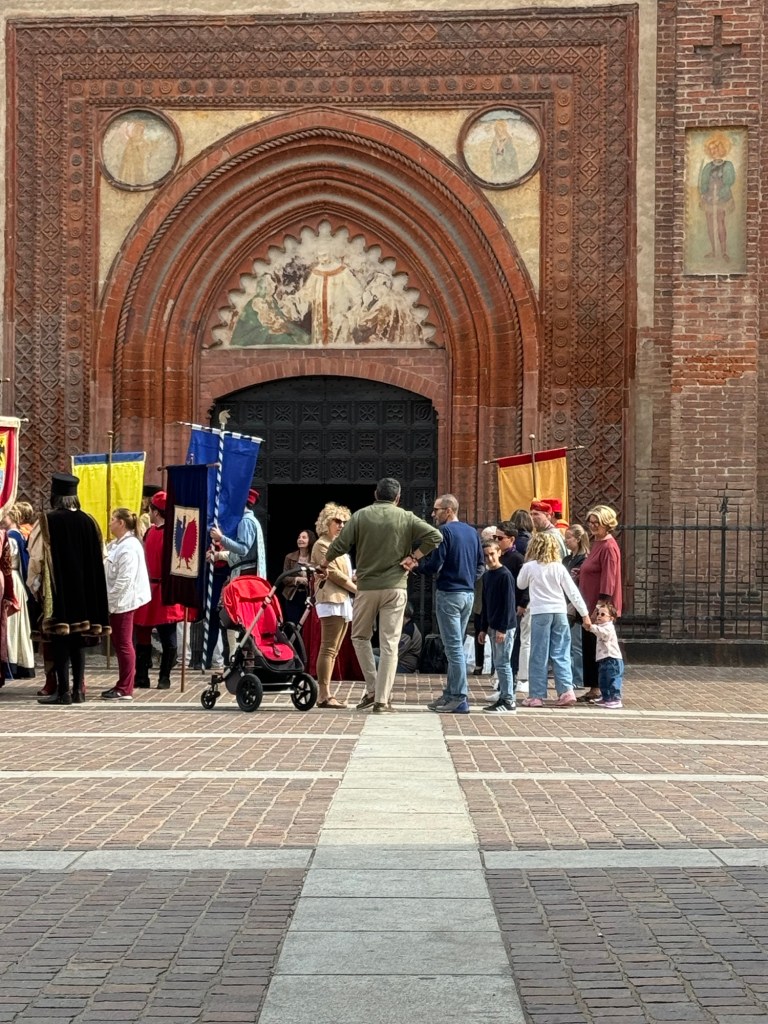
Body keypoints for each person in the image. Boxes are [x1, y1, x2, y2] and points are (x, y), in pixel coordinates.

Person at [322, 477, 441, 714]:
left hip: (366, 587)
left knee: (359, 637)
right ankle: (382, 699)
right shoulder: (406, 516)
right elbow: (435, 536)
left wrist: (324, 563)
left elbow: (340, 545)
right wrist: (414, 557)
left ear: (375, 494)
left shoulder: (361, 516)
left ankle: (373, 688)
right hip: (395, 586)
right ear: (398, 498)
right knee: (390, 644)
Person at [26, 472, 111, 706]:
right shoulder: (90, 521)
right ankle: (78, 691)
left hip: (59, 588)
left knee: (60, 639)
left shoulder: (46, 521)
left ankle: (63, 691)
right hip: (84, 590)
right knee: (78, 640)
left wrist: (34, 585)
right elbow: (102, 557)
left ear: (55, 496)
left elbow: (36, 559)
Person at [419, 494, 484, 714]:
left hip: (449, 593)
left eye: (436, 510)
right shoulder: (472, 532)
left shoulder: (445, 532)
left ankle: (459, 697)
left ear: (448, 510)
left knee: (453, 648)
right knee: (455, 645)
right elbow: (481, 564)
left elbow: (435, 563)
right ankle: (451, 692)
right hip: (467, 594)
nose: (433, 514)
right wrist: (468, 580)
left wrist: (416, 566)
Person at [517, 532, 591, 708]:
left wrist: (527, 566)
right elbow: (573, 592)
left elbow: (520, 584)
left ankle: (536, 695)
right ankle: (566, 691)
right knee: (561, 652)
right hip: (560, 612)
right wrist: (585, 614)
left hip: (540, 613)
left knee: (539, 654)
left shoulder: (530, 566)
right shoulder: (559, 567)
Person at [133, 491, 185, 689]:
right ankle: (142, 676)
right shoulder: (150, 532)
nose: (149, 512)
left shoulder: (173, 535)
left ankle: (165, 677)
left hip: (165, 590)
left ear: (156, 511)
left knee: (168, 635)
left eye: (151, 509)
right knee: (142, 633)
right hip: (148, 588)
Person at [102, 508, 151, 701]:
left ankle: (125, 687)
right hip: (118, 600)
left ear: (121, 523)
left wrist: (111, 601)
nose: (110, 523)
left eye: (112, 519)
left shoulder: (129, 547)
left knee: (123, 643)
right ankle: (123, 683)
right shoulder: (119, 544)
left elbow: (125, 579)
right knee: (120, 642)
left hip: (123, 601)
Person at [311, 504, 355, 709]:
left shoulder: (339, 546)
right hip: (330, 598)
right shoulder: (321, 545)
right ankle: (323, 694)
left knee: (334, 649)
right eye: (337, 521)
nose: (341, 525)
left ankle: (326, 692)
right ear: (326, 523)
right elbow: (334, 574)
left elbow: (345, 573)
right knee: (328, 648)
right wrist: (356, 588)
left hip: (342, 598)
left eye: (344, 522)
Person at [578, 504, 623, 703]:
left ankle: (602, 688)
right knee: (590, 647)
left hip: (599, 607)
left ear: (607, 524)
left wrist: (599, 607)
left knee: (600, 649)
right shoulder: (597, 543)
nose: (593, 525)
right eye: (591, 522)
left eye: (597, 522)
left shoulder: (608, 547)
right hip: (588, 602)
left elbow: (609, 579)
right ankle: (594, 687)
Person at [477, 540, 517, 714]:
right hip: (493, 625)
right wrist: (483, 628)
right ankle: (504, 695)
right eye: (486, 555)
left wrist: (502, 629)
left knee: (503, 663)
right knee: (498, 662)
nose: (489, 558)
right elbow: (485, 603)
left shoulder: (505, 575)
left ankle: (508, 699)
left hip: (503, 626)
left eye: (492, 554)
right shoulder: (487, 576)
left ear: (499, 553)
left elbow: (509, 604)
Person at [1, 505, 34, 682]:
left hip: (11, 579)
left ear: (12, 517)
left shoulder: (12, 536)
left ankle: (11, 663)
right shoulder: (17, 535)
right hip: (15, 578)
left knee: (10, 624)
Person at [497, 522, 528, 697]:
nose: (497, 541)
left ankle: (511, 682)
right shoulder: (498, 557)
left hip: (514, 607)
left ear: (511, 539)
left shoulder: (517, 559)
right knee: (499, 650)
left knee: (512, 646)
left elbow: (525, 584)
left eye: (500, 538)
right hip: (499, 607)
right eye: (495, 537)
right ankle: (501, 684)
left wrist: (522, 603)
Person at [210, 488, 265, 580]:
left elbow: (243, 550)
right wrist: (218, 555)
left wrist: (221, 538)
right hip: (245, 572)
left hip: (245, 574)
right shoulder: (249, 520)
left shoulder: (246, 521)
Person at [563, 524, 590, 689]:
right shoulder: (566, 559)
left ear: (578, 539)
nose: (566, 541)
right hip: (564, 603)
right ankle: (570, 676)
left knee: (576, 644)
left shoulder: (584, 560)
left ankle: (578, 678)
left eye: (569, 538)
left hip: (576, 606)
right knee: (567, 644)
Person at [586, 601, 624, 709]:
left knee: (613, 679)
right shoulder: (600, 626)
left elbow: (604, 634)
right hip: (603, 659)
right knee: (603, 680)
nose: (599, 616)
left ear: (611, 618)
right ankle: (606, 697)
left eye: (603, 614)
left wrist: (591, 627)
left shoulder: (608, 627)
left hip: (612, 659)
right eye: (598, 613)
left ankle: (616, 699)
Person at [472, 526, 497, 676]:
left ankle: (494, 666)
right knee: (479, 633)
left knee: (494, 635)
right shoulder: (479, 557)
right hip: (480, 603)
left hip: (492, 603)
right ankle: (479, 664)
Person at [281, 528, 317, 625]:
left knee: (308, 625)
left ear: (310, 540)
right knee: (293, 624)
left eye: (304, 537)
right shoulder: (289, 557)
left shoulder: (315, 558)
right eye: (299, 537)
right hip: (292, 596)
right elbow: (284, 578)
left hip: (309, 596)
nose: (300, 539)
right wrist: (297, 579)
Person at [395, 602, 422, 673]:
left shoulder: (408, 632)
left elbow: (396, 654)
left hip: (403, 666)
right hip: (400, 663)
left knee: (370, 659)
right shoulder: (408, 627)